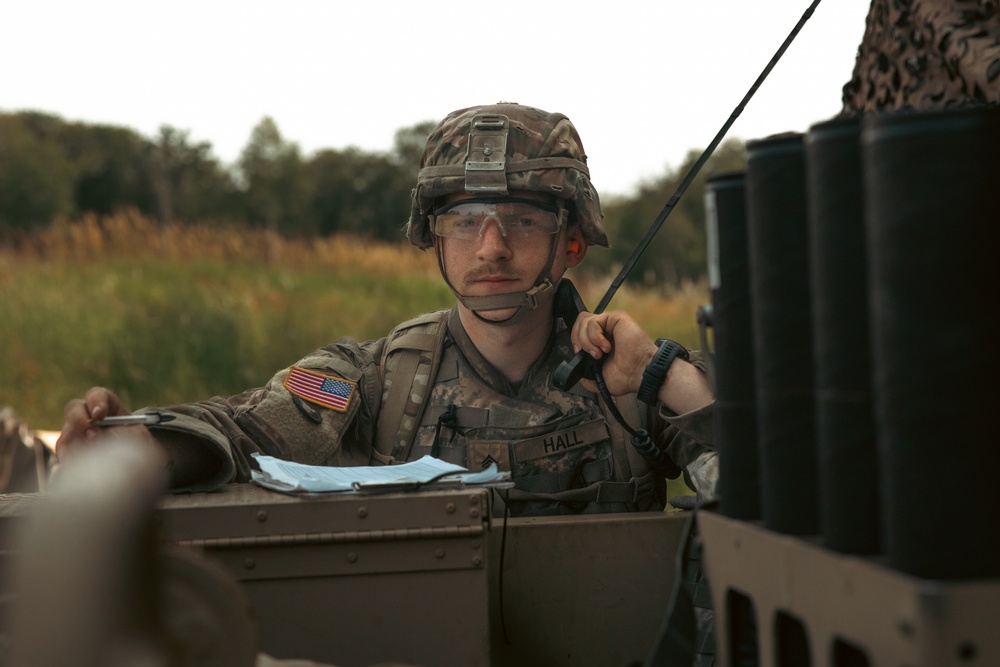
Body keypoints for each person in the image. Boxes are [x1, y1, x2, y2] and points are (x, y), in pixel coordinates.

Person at [57, 103, 715, 516]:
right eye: (464, 221)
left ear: (572, 240)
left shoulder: (626, 372)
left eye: (520, 218)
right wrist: (138, 446)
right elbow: (247, 430)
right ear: (433, 236)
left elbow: (776, 496)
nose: (491, 246)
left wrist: (668, 378)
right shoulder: (377, 378)